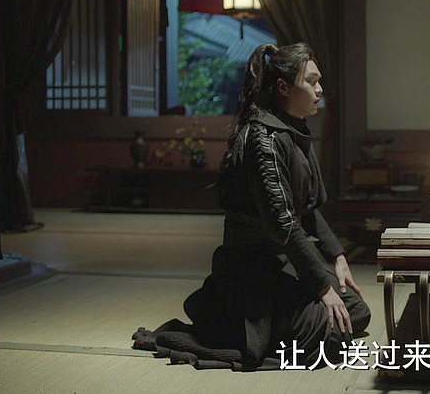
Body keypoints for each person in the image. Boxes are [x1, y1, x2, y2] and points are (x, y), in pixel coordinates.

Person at [135, 42, 370, 371]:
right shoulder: (263, 138)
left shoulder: (293, 129)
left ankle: (288, 321)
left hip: (281, 265)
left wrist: (338, 256)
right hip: (251, 273)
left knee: (356, 311)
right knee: (333, 336)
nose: (319, 89)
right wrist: (322, 287)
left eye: (319, 81)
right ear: (283, 87)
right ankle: (239, 327)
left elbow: (306, 209)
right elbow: (284, 224)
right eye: (311, 81)